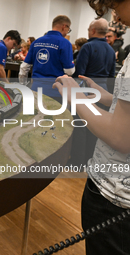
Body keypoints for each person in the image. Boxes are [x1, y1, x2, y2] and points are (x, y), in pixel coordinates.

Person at [54, 1, 130, 254]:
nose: (112, 9)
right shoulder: (111, 49)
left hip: (115, 196)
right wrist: (103, 96)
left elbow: (120, 136)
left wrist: (75, 96)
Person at [70, 18, 115, 168]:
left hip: (86, 91)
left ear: (92, 30)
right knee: (96, 129)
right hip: (103, 93)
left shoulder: (87, 47)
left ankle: (77, 162)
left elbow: (80, 74)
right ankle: (90, 160)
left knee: (79, 126)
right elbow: (111, 75)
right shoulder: (110, 50)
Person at [19, 15, 75, 102]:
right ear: (64, 27)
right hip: (55, 92)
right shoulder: (65, 43)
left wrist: (23, 85)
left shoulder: (36, 42)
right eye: (69, 30)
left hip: (36, 89)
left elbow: (24, 67)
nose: (67, 32)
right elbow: (69, 71)